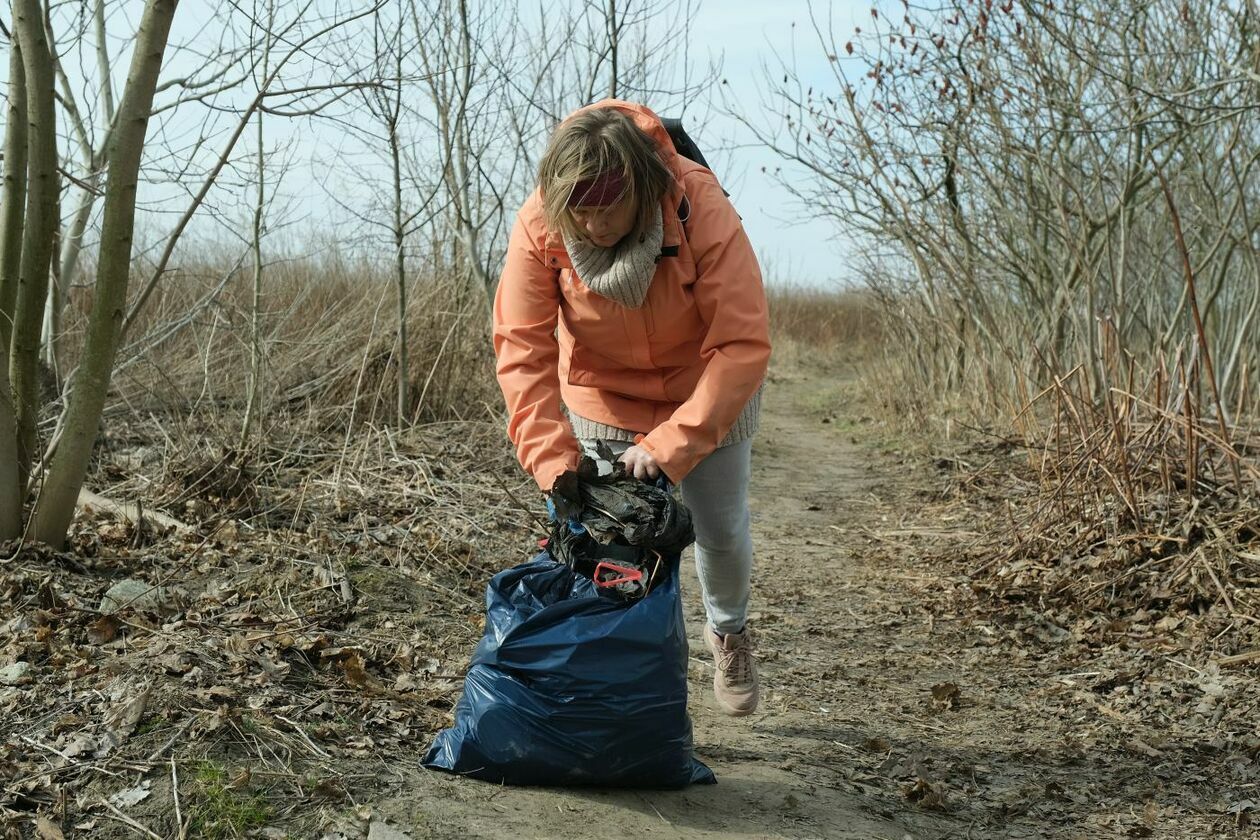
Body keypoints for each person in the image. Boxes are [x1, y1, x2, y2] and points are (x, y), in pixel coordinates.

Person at [491, 100, 771, 717]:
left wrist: (672, 447)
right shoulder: (541, 221)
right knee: (610, 542)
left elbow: (743, 342)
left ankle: (728, 632)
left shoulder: (697, 203)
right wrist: (553, 462)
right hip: (604, 393)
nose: (592, 226)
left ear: (640, 187)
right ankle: (622, 666)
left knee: (719, 531)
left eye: (607, 208)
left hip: (706, 388)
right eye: (579, 211)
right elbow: (522, 349)